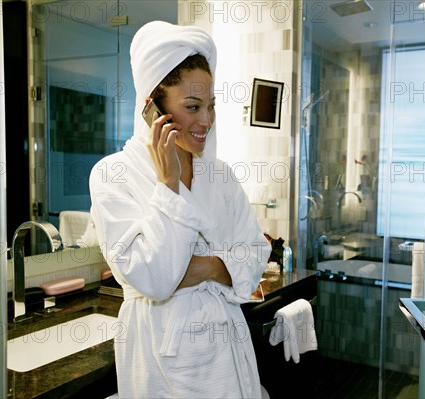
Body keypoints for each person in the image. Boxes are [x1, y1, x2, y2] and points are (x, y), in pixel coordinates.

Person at [89, 21, 271, 398]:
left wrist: (199, 267)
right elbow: (153, 280)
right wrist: (168, 185)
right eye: (192, 107)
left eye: (210, 106)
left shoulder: (220, 175)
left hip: (228, 342)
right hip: (161, 351)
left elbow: (255, 255)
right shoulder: (113, 174)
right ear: (153, 108)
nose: (206, 120)